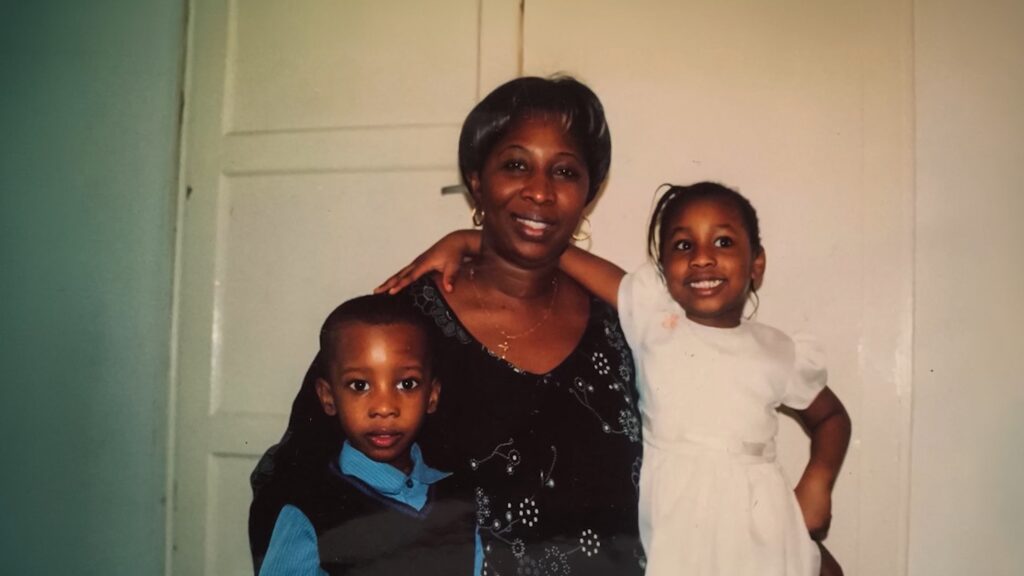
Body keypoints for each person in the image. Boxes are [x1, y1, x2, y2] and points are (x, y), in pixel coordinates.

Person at [250, 76, 646, 576]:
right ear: (477, 180)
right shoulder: (405, 326)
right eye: (516, 164)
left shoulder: (622, 331)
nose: (541, 191)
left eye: (565, 171)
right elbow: (298, 483)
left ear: (588, 192)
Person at [379, 182, 852, 576]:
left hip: (761, 519)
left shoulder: (779, 349)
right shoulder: (655, 318)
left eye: (724, 242)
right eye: (684, 245)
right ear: (664, 269)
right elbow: (553, 252)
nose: (703, 258)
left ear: (757, 265)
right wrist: (468, 239)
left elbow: (831, 417)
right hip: (676, 522)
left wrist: (818, 481)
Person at [257, 294, 477, 576]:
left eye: (407, 383)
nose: (384, 408)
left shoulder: (460, 497)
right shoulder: (309, 510)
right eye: (359, 385)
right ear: (328, 396)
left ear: (432, 395)